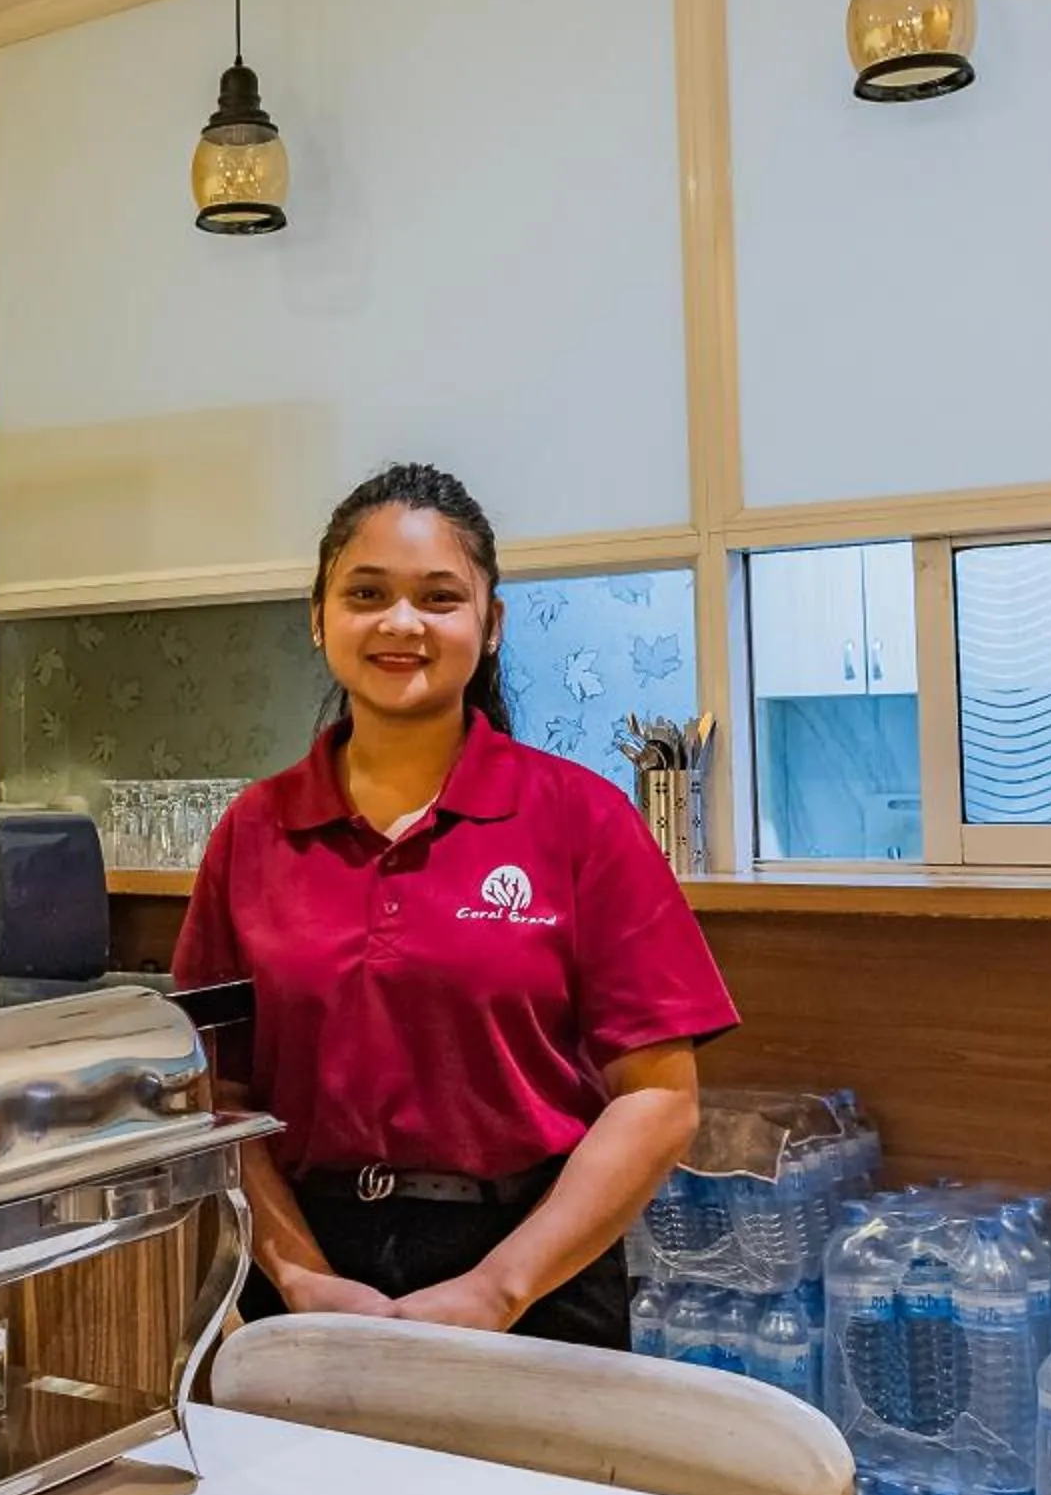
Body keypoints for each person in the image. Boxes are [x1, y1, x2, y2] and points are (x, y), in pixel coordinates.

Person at [170, 463, 737, 1346]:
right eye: (367, 593)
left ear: (491, 623)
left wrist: (498, 1289)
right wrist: (297, 1272)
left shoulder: (582, 820)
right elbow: (216, 1091)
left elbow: (659, 1099)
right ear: (318, 616)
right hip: (310, 1274)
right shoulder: (255, 830)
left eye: (439, 597)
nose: (402, 623)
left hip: (539, 1275)